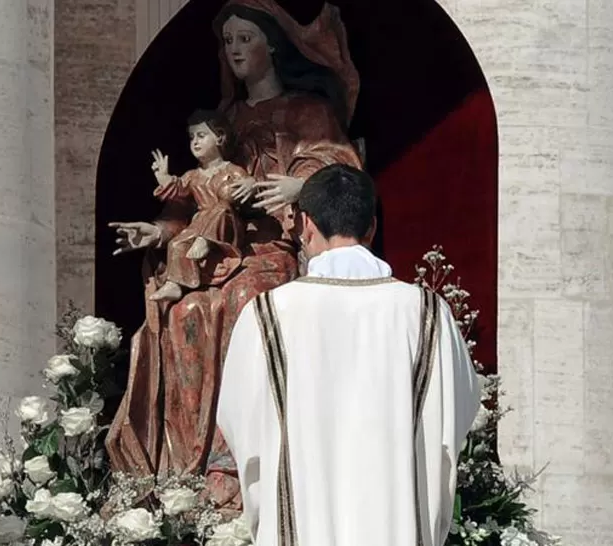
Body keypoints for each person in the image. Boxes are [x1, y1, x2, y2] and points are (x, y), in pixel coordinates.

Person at [106, 0, 361, 511]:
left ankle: (237, 464)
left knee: (245, 300)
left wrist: (296, 189)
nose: (236, 49)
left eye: (246, 38)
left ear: (272, 45)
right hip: (214, 253)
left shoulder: (310, 113)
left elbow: (345, 180)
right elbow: (195, 206)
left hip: (275, 249)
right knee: (178, 311)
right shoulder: (222, 121)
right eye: (229, 41)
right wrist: (156, 234)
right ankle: (184, 470)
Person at [217, 164, 480, 546]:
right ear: (371, 227)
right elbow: (455, 421)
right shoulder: (426, 313)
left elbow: (243, 432)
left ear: (304, 224)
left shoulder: (267, 314)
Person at [149, 109, 251, 302]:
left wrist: (250, 184)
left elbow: (246, 187)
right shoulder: (193, 175)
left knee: (222, 209)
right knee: (177, 244)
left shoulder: (232, 170)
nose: (195, 141)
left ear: (220, 138)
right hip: (199, 224)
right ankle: (175, 284)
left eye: (201, 135)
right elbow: (179, 191)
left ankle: (207, 241)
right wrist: (163, 177)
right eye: (192, 137)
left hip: (227, 224)